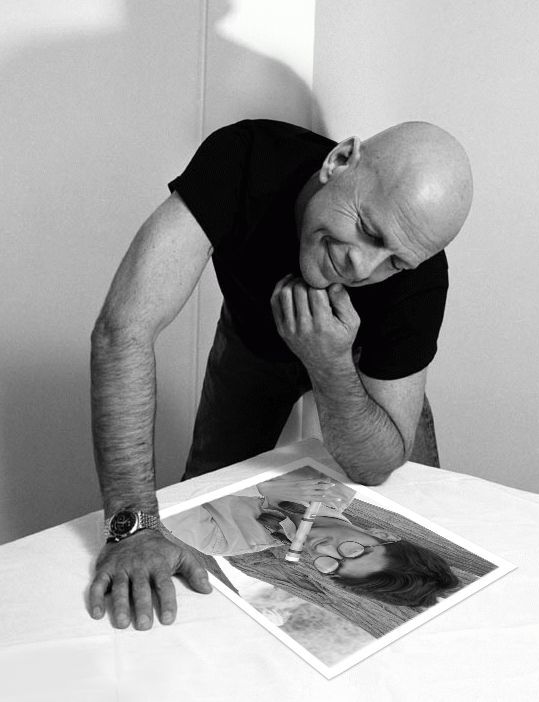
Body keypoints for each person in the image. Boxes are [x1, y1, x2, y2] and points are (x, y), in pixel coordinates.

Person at [89, 118, 473, 630]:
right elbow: (123, 330)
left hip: (358, 372)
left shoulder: (420, 276)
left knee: (417, 517)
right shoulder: (244, 158)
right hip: (251, 343)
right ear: (339, 162)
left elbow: (375, 466)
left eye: (395, 263)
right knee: (197, 511)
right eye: (368, 231)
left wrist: (330, 363)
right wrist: (133, 529)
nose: (363, 269)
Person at [164, 469, 458, 609]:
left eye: (332, 565)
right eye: (353, 551)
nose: (325, 549)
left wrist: (261, 488)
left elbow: (163, 497)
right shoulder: (342, 480)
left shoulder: (222, 541)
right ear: (383, 534)